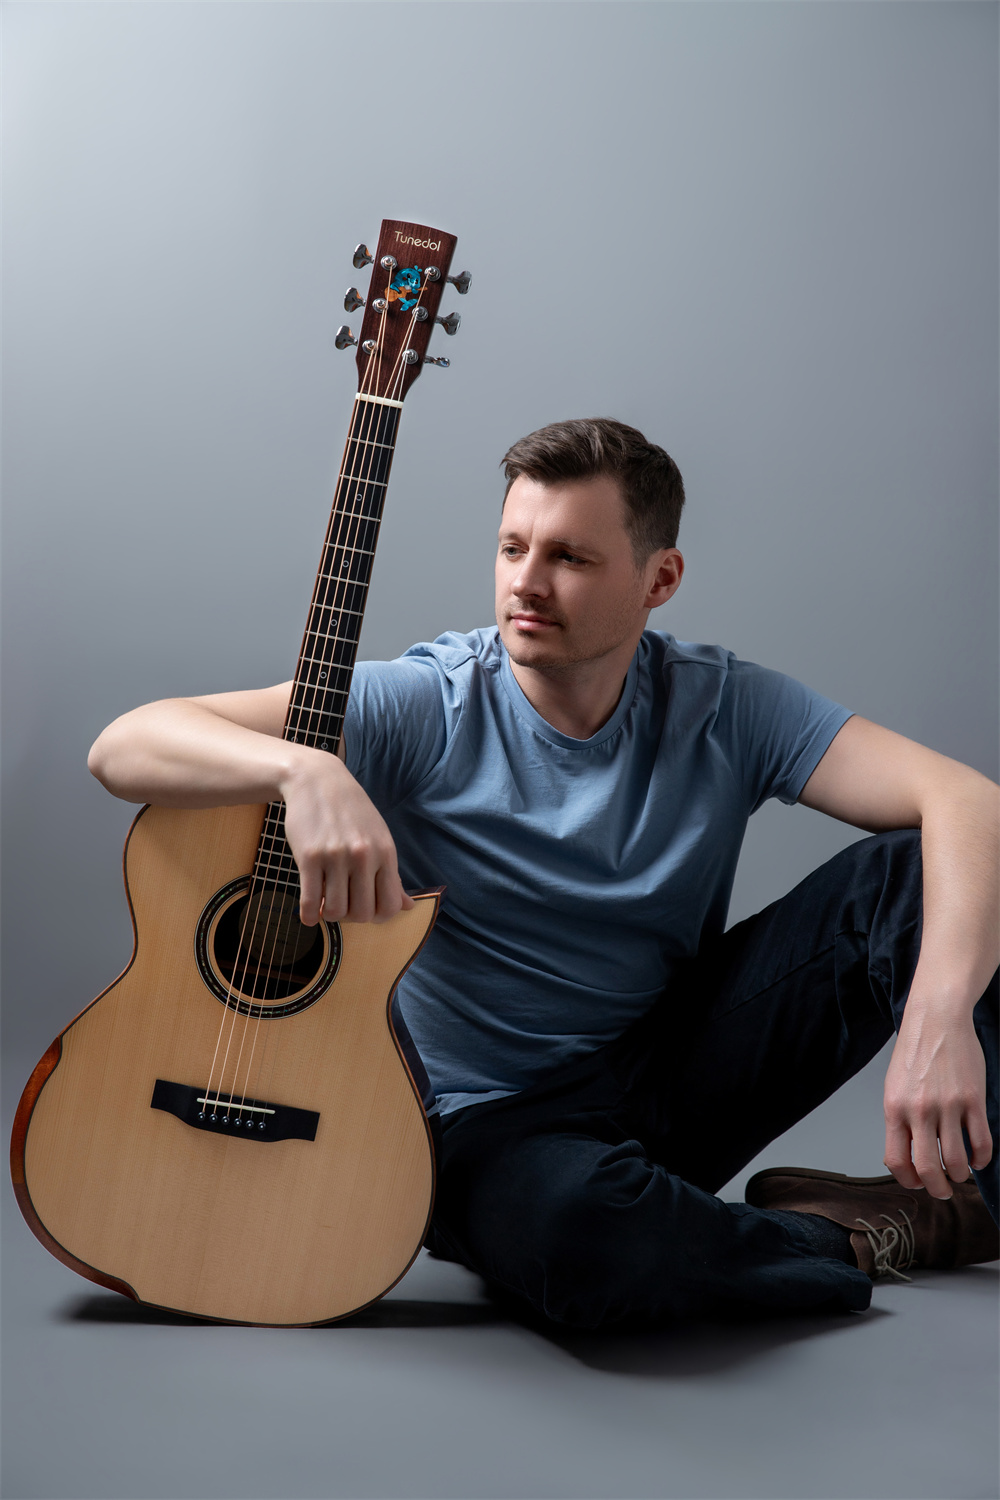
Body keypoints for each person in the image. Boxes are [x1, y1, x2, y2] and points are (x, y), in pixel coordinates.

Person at [88, 417, 999, 1329]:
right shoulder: (432, 702)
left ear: (660, 580)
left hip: (673, 1072)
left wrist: (939, 1015)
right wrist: (304, 769)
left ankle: (974, 1199)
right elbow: (125, 745)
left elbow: (967, 802)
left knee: (921, 873)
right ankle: (861, 1234)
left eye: (569, 557)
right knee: (587, 1237)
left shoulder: (725, 704)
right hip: (487, 1126)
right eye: (512, 547)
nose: (526, 582)